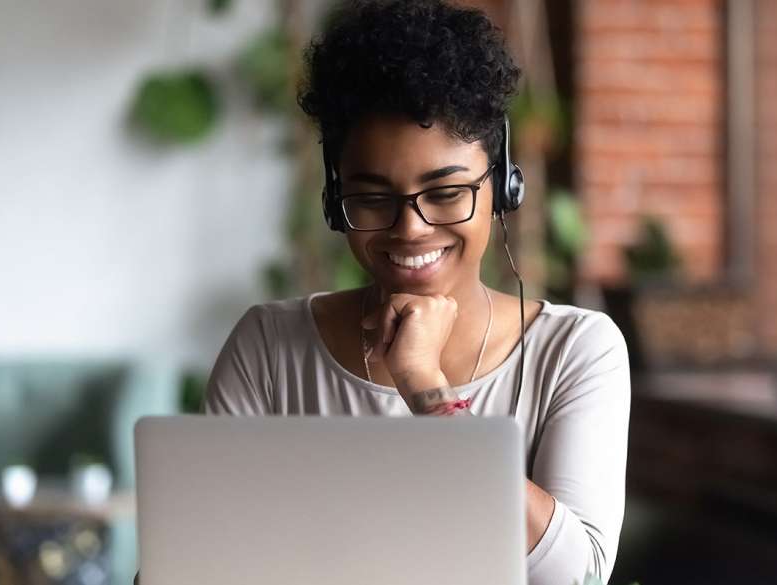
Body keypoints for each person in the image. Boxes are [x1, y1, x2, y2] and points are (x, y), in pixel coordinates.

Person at [203, 1, 630, 583]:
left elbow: (574, 576)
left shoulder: (576, 350)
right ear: (336, 201)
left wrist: (425, 387)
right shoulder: (270, 347)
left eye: (447, 193)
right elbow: (206, 557)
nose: (411, 228)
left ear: (502, 186)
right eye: (373, 197)